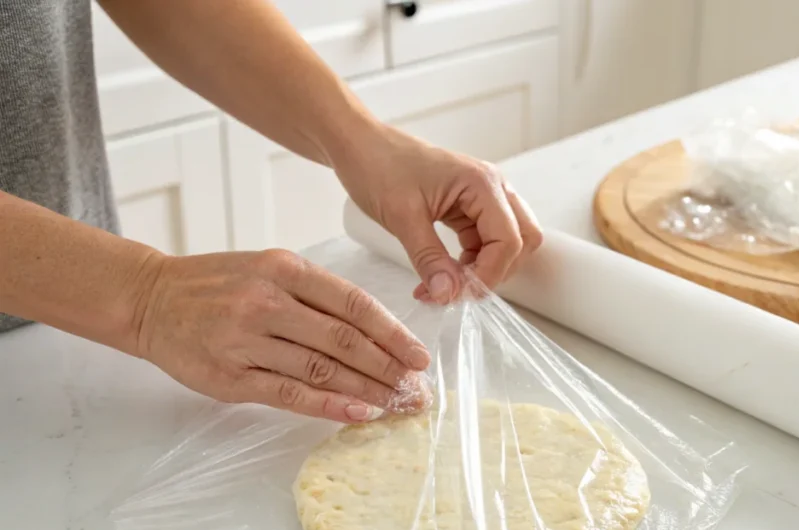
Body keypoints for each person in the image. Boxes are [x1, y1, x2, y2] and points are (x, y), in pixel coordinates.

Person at [0, 0, 543, 424]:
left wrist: (360, 140)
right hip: (103, 301)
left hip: (74, 329)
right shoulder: (139, 300)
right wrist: (143, 296)